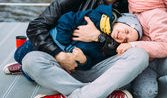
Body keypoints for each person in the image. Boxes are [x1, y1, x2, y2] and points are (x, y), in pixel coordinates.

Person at [6, 0, 150, 98]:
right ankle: (102, 95)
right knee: (29, 61)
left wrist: (99, 37)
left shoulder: (130, 4)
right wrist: (60, 55)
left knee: (140, 55)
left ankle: (78, 97)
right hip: (64, 64)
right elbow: (36, 26)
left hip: (97, 67)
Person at [10, 4, 142, 73]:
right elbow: (67, 19)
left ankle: (24, 69)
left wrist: (84, 61)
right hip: (53, 39)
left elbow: (94, 60)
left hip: (61, 58)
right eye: (126, 31)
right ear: (120, 21)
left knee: (29, 73)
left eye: (125, 40)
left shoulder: (107, 49)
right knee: (19, 55)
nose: (122, 36)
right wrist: (64, 43)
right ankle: (21, 63)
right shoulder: (97, 17)